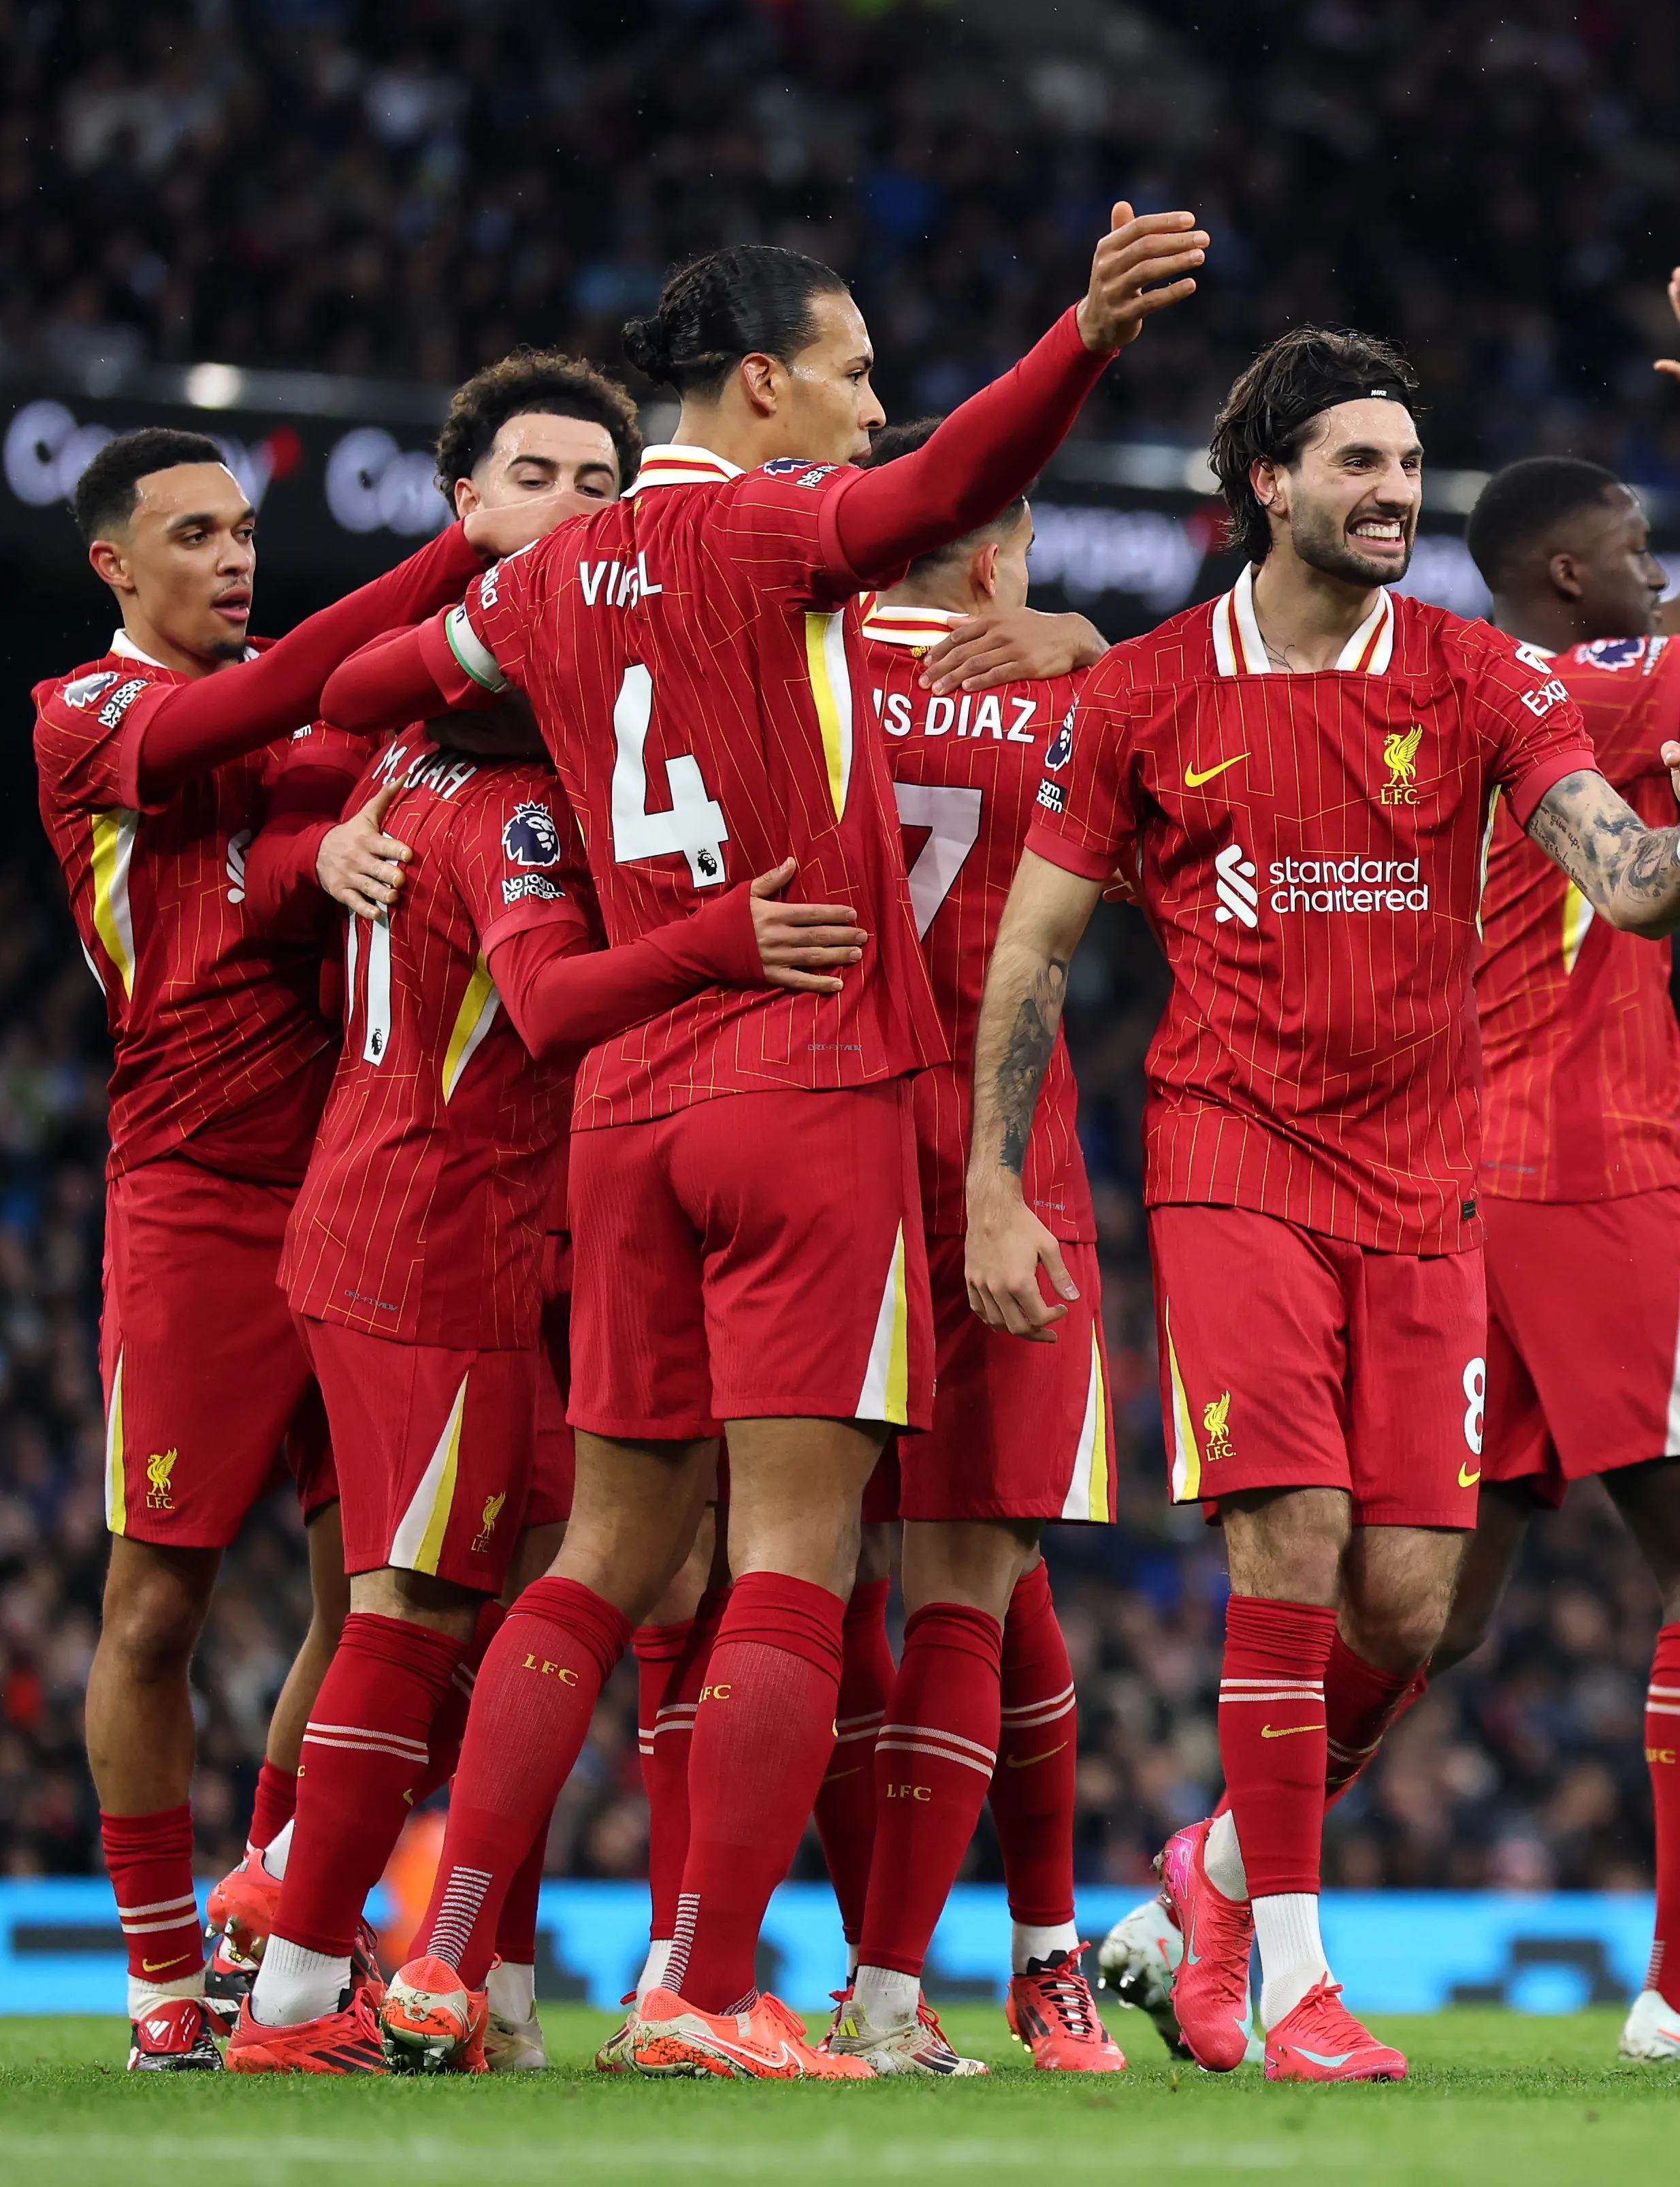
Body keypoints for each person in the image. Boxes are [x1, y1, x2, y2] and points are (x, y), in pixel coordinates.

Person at [323, 212, 1204, 2081]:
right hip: (808, 1090)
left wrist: (460, 755)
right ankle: (704, 1986)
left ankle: (438, 1957)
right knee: (801, 1554)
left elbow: (352, 693)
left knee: (612, 1550)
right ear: (760, 384)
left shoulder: (549, 576)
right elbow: (944, 487)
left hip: (626, 1098)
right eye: (857, 371)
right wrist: (1081, 343)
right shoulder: (761, 524)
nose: (876, 414)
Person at [964, 326, 1680, 2084]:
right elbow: (1032, 948)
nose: (1396, 494)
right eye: (1360, 465)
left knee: (1406, 1604)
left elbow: (1619, 886)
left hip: (1425, 1183)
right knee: (1291, 1541)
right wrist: (992, 1188)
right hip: (1232, 1158)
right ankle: (1304, 1978)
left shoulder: (1483, 677)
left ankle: (1209, 1880)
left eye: (1410, 466)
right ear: (1269, 486)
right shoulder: (1148, 692)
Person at [223, 355, 868, 2072]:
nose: (593, 524)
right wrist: (731, 937)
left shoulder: (416, 769)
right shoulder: (506, 804)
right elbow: (557, 1000)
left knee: (518, 1584)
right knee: (418, 1608)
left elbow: (336, 743)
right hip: (434, 1235)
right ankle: (294, 1972)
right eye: (548, 487)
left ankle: (455, 1969)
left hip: (437, 1226)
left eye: (606, 483)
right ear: (468, 531)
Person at [1386, 225, 1680, 2067]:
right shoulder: (1571, 696)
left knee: (1446, 1611)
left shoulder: (1516, 693)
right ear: (1567, 575)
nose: (1668, 580)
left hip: (1472, 1177)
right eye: (1638, 560)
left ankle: (1210, 1879)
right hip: (1590, 1167)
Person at [33, 425, 533, 2069]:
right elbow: (274, 741)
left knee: (373, 1595)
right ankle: (163, 1976)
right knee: (156, 1604)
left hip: (353, 1188)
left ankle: (272, 1901)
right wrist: (470, 550)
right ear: (115, 563)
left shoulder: (312, 701)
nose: (235, 559)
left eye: (245, 529)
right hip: (189, 1194)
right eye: (195, 534)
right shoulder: (89, 715)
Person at [818, 415, 1125, 2076]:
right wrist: (1100, 645)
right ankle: (893, 1988)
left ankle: (1032, 1944)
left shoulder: (799, 650)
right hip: (1012, 1151)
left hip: (820, 1137)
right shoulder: (1078, 689)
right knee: (967, 1575)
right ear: (1003, 547)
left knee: (815, 1574)